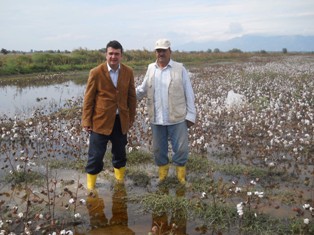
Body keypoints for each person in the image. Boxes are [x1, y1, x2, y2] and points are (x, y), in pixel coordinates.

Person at [136, 39, 196, 184]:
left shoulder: (179, 68)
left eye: (164, 50)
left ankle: (180, 178)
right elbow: (143, 89)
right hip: (157, 119)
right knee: (158, 150)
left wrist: (190, 115)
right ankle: (163, 177)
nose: (161, 53)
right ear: (155, 52)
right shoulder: (151, 68)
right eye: (158, 50)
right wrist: (127, 97)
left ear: (170, 51)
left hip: (177, 117)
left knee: (181, 150)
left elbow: (189, 92)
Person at [82, 40, 136, 190]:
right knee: (95, 156)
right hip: (100, 121)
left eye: (116, 54)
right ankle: (91, 188)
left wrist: (131, 117)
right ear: (106, 55)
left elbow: (132, 97)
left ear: (121, 56)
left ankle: (119, 183)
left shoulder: (128, 72)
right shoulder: (96, 72)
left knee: (120, 153)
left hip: (120, 121)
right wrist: (86, 120)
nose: (113, 57)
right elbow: (88, 99)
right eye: (110, 53)